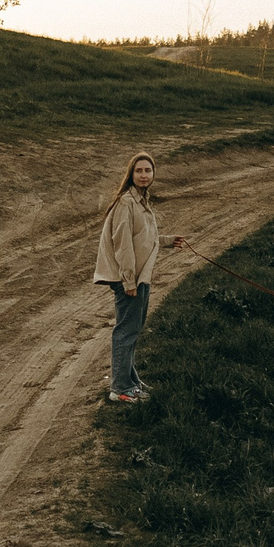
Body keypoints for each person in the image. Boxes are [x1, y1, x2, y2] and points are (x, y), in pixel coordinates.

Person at [94, 152, 184, 404]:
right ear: (131, 174)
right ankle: (120, 388)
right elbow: (122, 244)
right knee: (126, 331)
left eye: (148, 171)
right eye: (139, 171)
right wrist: (129, 281)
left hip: (139, 276)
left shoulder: (141, 200)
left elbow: (142, 237)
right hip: (129, 280)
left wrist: (167, 241)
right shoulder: (126, 203)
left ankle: (130, 381)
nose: (144, 175)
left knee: (134, 329)